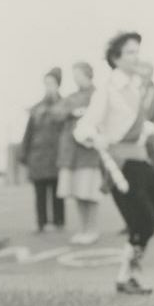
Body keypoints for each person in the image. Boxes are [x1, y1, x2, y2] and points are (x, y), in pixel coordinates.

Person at [74, 32, 154, 294]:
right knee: (143, 223)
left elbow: (136, 125)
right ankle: (126, 277)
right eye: (130, 52)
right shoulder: (107, 90)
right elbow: (84, 127)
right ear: (116, 58)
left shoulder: (134, 86)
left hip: (140, 160)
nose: (136, 57)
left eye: (137, 51)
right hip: (120, 165)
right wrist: (94, 138)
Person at [54, 62, 102, 244]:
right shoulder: (72, 97)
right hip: (71, 154)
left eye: (78, 75)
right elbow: (57, 112)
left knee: (90, 193)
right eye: (74, 75)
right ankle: (83, 229)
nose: (75, 79)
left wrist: (86, 115)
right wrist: (71, 112)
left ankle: (93, 230)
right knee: (78, 193)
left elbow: (103, 116)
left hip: (88, 153)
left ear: (88, 74)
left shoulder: (98, 95)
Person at [19, 67, 65, 232]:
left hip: (57, 156)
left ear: (58, 84)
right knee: (39, 191)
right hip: (38, 157)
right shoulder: (37, 108)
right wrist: (23, 154)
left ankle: (59, 221)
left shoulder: (65, 105)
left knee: (57, 191)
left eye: (51, 83)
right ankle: (41, 222)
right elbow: (28, 133)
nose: (48, 87)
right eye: (46, 83)